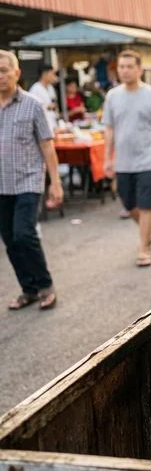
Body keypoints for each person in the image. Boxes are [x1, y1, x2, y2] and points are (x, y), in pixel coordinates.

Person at [0, 50, 62, 310]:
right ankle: (29, 289)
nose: (0, 76)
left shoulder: (33, 104)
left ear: (16, 73)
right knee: (9, 239)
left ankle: (45, 285)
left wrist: (56, 183)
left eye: (4, 70)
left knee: (24, 234)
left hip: (27, 181)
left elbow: (48, 146)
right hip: (2, 185)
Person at [102, 50, 151, 267]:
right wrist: (107, 158)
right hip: (123, 162)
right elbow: (109, 129)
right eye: (121, 67)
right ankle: (148, 231)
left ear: (139, 69)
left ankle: (143, 248)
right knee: (128, 202)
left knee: (146, 205)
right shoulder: (112, 96)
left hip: (148, 160)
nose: (124, 71)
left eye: (129, 66)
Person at [28, 63, 59, 130]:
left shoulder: (51, 88)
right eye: (52, 74)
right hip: (41, 126)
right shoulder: (35, 88)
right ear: (45, 74)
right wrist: (47, 106)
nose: (54, 76)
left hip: (52, 123)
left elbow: (53, 103)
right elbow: (30, 108)